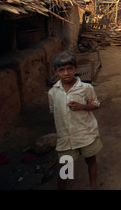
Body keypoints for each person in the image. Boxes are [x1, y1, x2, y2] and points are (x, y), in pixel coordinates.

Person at [48, 51, 102, 190]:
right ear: (55, 71)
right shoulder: (53, 92)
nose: (66, 73)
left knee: (90, 160)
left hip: (85, 133)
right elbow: (55, 111)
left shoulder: (85, 88)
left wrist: (82, 106)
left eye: (69, 69)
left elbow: (95, 104)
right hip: (66, 137)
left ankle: (93, 186)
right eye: (61, 70)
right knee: (66, 166)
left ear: (76, 68)